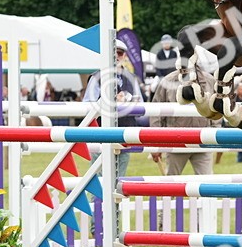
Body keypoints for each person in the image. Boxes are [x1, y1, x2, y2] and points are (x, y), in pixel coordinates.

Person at [82, 39, 146, 182]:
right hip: (100, 136)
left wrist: (128, 102)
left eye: (120, 53)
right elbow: (87, 106)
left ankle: (115, 205)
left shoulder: (132, 78)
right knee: (98, 182)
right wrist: (109, 101)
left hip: (124, 136)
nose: (116, 56)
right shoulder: (96, 77)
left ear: (124, 56)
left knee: (119, 181)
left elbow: (141, 107)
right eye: (113, 53)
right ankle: (96, 205)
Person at [150, 57, 216, 176]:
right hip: (175, 140)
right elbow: (156, 113)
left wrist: (214, 133)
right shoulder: (167, 81)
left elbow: (217, 109)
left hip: (203, 140)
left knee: (207, 182)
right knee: (171, 184)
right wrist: (156, 143)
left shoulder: (210, 80)